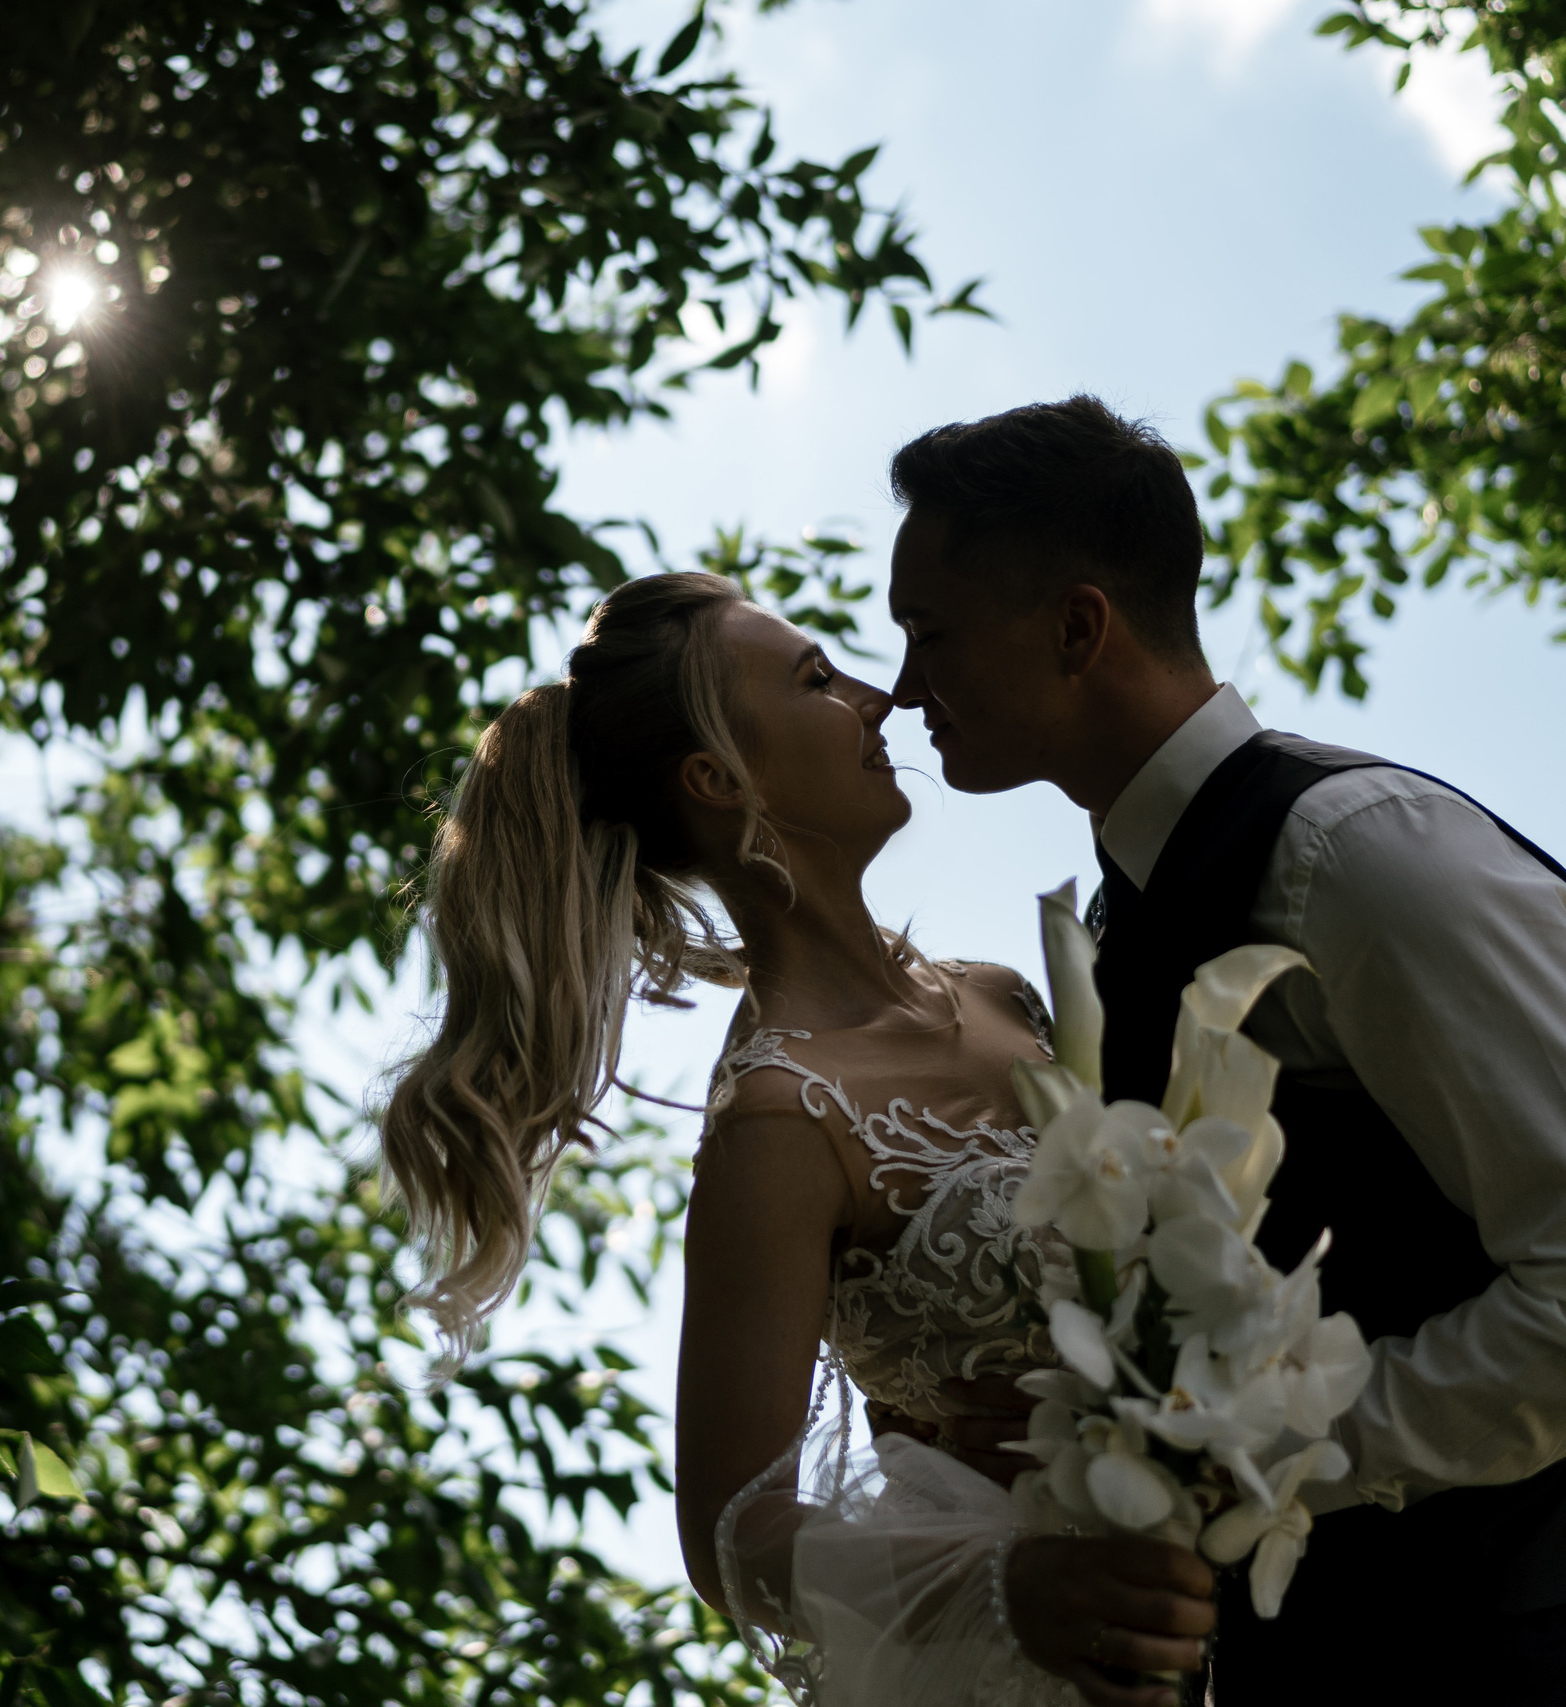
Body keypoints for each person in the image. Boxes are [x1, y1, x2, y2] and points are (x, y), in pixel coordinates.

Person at [882, 396, 1566, 1706]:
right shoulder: (1121, 915)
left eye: (928, 632)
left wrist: (1251, 1445)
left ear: (1075, 626)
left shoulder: (1363, 856)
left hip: (1498, 1657)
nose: (901, 685)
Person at [377, 571, 1217, 1707]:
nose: (876, 699)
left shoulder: (1006, 995)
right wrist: (1007, 1583)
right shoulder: (782, 1118)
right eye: (817, 678)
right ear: (719, 778)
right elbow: (728, 1530)